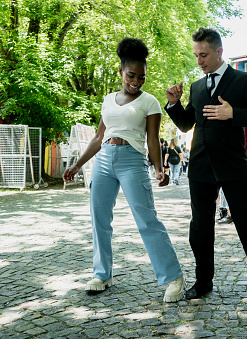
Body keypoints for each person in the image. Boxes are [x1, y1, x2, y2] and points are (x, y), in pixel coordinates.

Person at [62, 37, 185, 302]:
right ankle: (101, 274)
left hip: (132, 160)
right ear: (121, 71)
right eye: (131, 75)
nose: (136, 81)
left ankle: (173, 278)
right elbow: (97, 137)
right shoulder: (107, 100)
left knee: (147, 220)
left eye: (141, 77)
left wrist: (158, 168)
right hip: (104, 161)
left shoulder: (149, 102)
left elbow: (152, 138)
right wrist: (77, 165)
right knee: (99, 219)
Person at [164, 27, 247, 300]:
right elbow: (188, 123)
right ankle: (203, 283)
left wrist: (233, 112)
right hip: (200, 167)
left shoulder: (243, 80)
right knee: (200, 226)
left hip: (232, 165)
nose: (199, 60)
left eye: (204, 55)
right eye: (196, 55)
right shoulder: (197, 87)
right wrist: (174, 105)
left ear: (219, 52)